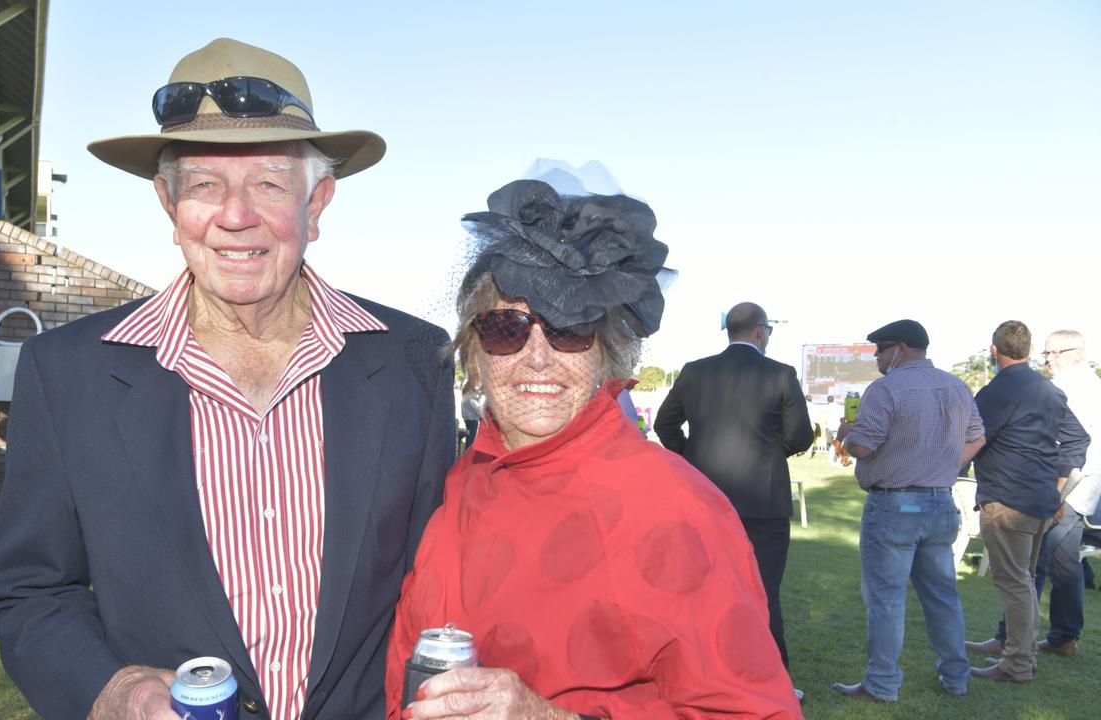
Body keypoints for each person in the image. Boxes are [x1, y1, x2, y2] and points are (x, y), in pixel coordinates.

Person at [0, 39, 456, 720]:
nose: (235, 216)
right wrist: (111, 690)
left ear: (316, 202)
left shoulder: (416, 362)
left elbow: (439, 579)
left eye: (268, 183)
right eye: (204, 185)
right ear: (168, 204)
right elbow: (30, 592)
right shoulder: (67, 374)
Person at [385, 180, 801, 718]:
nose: (538, 357)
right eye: (506, 328)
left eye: (570, 330)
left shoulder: (674, 509)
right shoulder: (467, 476)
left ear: (608, 350)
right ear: (475, 350)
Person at [653, 301, 812, 675]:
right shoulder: (781, 374)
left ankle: (700, 673)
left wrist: (690, 461)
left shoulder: (695, 372)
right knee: (763, 593)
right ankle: (769, 681)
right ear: (760, 331)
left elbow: (665, 426)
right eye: (769, 331)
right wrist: (772, 455)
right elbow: (801, 437)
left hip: (703, 500)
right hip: (763, 503)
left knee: (702, 590)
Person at [830, 320, 984, 702]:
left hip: (894, 505)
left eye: (879, 350)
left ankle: (882, 683)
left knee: (887, 599)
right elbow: (978, 437)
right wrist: (947, 464)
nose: (877, 359)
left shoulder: (886, 389)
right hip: (940, 503)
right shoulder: (957, 386)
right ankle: (956, 677)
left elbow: (863, 447)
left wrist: (846, 431)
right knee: (943, 596)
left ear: (899, 348)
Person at [965, 321, 1089, 684]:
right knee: (1023, 579)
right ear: (1030, 350)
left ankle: (1018, 663)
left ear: (994, 350)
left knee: (1016, 583)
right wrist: (1059, 484)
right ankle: (1021, 655)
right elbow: (1077, 440)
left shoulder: (994, 392)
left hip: (1007, 500)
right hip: (1040, 502)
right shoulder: (1047, 390)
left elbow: (974, 440)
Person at [1033, 331, 1099, 656]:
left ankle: (1012, 639)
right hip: (1083, 486)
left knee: (1032, 561)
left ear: (1077, 352)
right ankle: (1064, 637)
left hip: (1065, 485)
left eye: (1054, 353)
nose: (1047, 359)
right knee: (1065, 562)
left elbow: (1066, 443)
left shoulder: (1067, 386)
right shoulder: (1093, 384)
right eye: (1045, 354)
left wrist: (1055, 491)